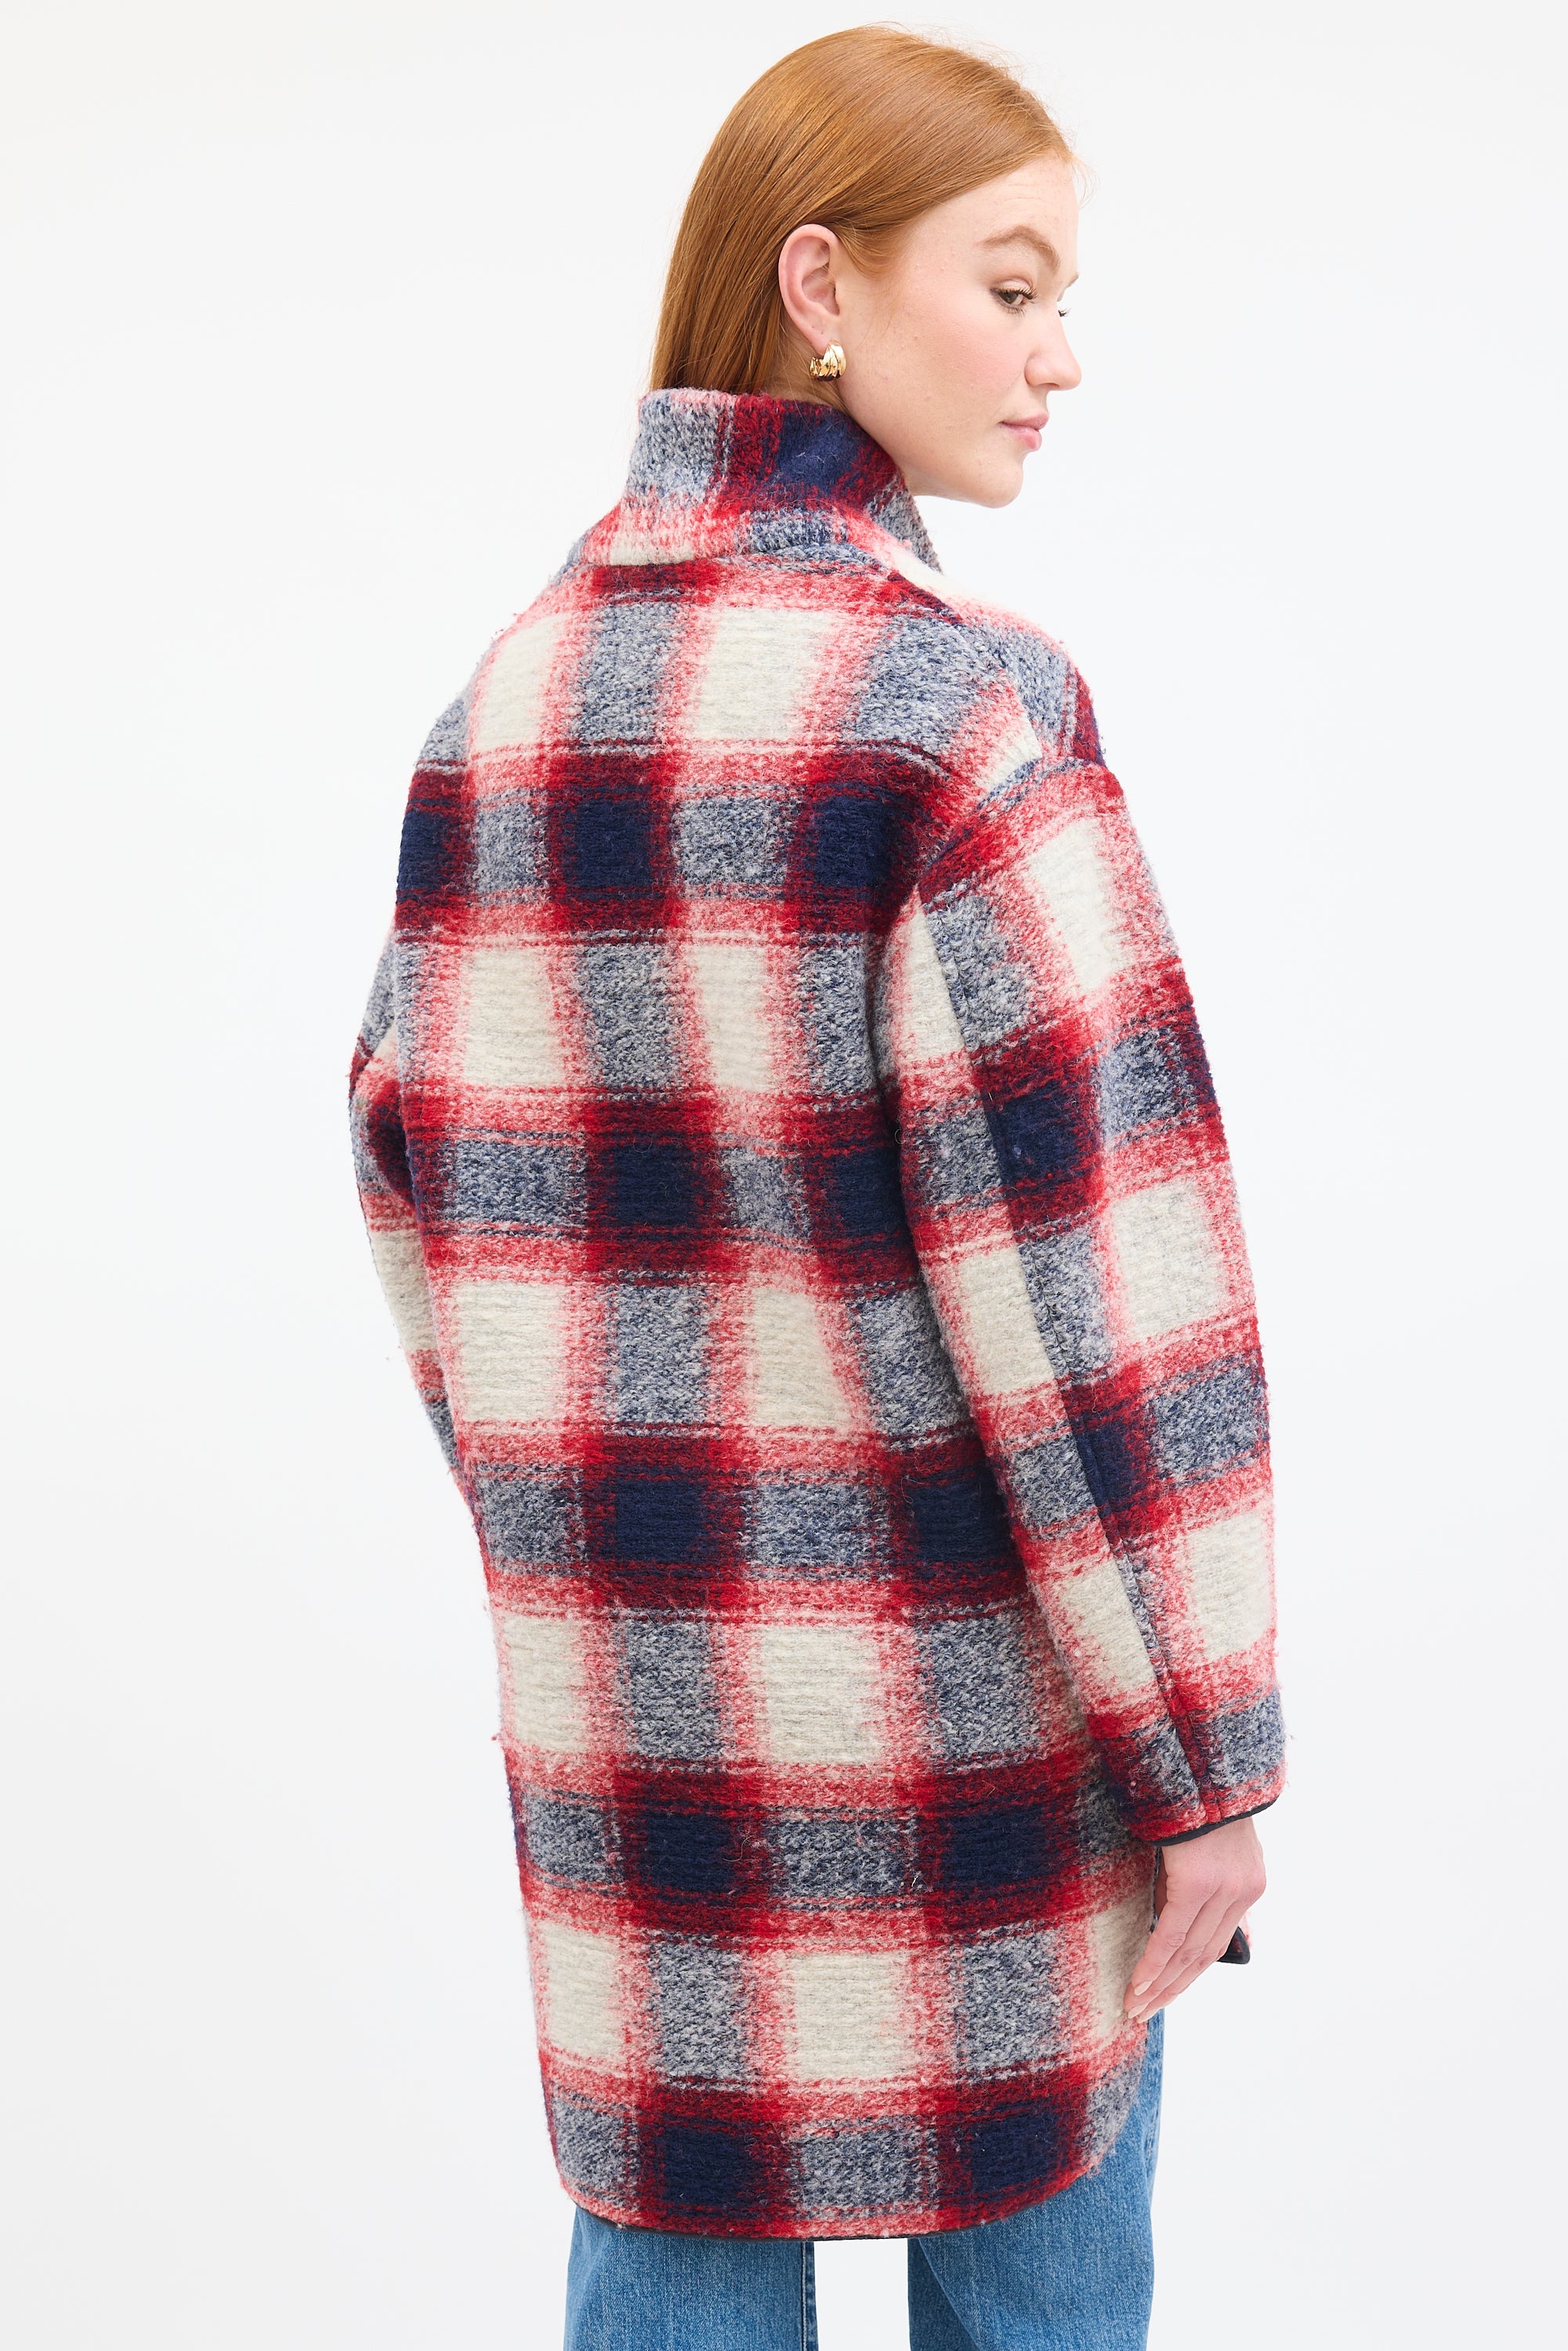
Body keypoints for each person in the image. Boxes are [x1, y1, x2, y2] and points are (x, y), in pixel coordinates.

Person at [349, 27, 1281, 2349]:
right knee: (1040, 2289)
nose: (1062, 356)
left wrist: (593, 1555)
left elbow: (421, 1213)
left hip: (642, 1735)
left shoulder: (505, 708)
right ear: (820, 286)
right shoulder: (956, 717)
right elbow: (1097, 1295)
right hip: (986, 1740)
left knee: (663, 2272)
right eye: (1013, 285)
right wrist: (1203, 1763)